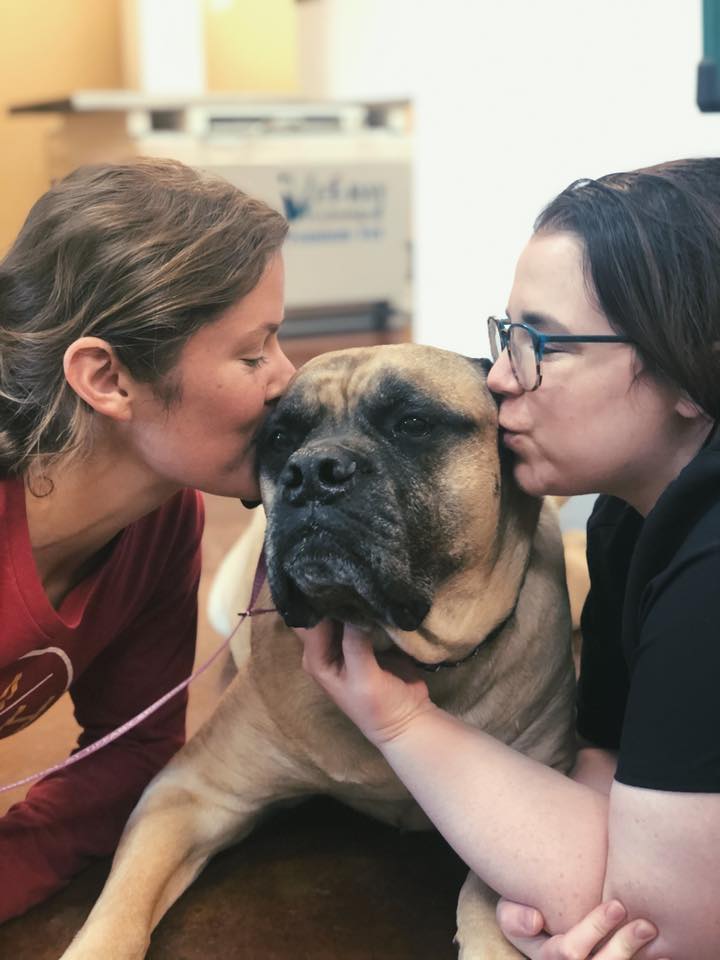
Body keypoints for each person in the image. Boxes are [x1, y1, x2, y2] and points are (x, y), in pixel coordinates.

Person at [300, 158, 720, 960]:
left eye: (545, 344)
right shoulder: (628, 519)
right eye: (507, 336)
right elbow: (606, 753)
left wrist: (403, 722)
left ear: (694, 375)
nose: (499, 378)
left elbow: (662, 934)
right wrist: (566, 875)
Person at [0, 158, 295, 920]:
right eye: (253, 351)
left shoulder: (162, 520)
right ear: (106, 377)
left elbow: (128, 752)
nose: (287, 378)